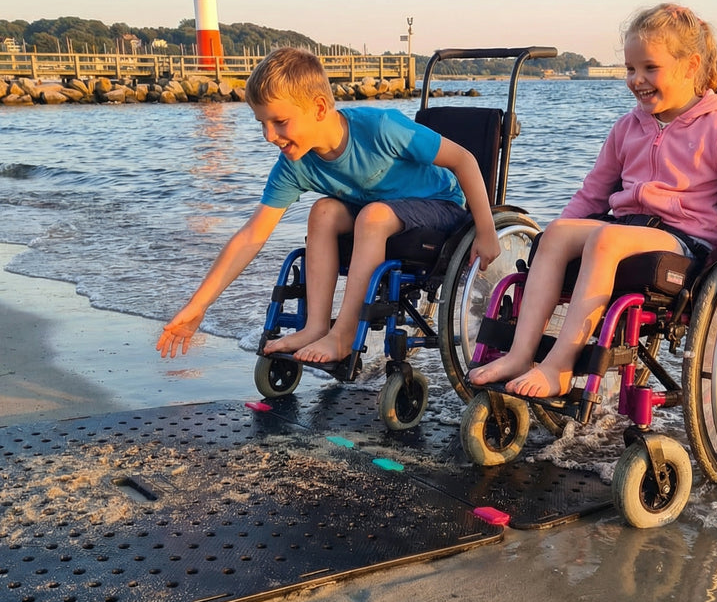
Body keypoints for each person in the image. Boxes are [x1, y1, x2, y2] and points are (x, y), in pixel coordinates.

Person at [468, 2, 717, 399]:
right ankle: (520, 353)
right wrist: (556, 240)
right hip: (626, 229)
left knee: (604, 240)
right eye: (630, 69)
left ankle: (560, 367)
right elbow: (592, 194)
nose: (637, 80)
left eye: (650, 68)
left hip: (684, 240)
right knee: (558, 232)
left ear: (690, 66)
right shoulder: (627, 127)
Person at [157, 47, 500, 364]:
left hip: (440, 207)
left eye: (279, 122)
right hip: (379, 213)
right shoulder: (295, 163)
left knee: (372, 215)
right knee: (323, 210)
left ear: (320, 108)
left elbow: (464, 160)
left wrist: (486, 232)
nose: (268, 135)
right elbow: (251, 236)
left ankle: (343, 335)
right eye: (262, 123)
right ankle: (316, 326)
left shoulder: (381, 129)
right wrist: (198, 305)